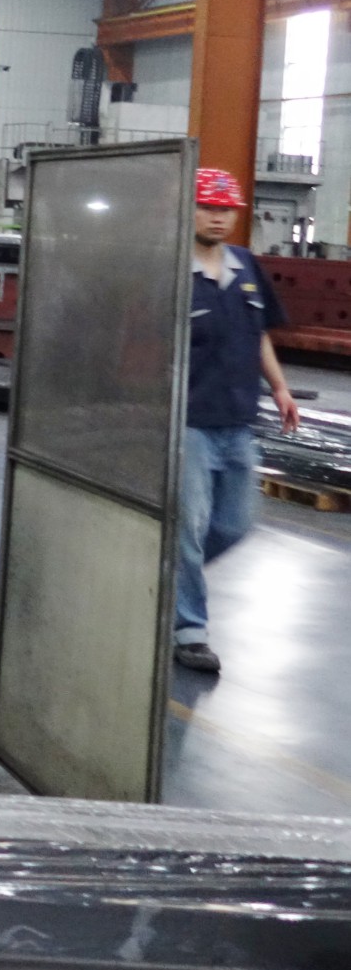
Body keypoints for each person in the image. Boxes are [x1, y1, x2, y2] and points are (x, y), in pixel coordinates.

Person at [176, 166, 298, 675]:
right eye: (208, 207)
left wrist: (280, 387)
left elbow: (259, 333)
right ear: (188, 209)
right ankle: (190, 631)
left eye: (226, 210)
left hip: (238, 421)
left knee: (234, 524)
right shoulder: (172, 272)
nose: (219, 218)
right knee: (189, 528)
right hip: (189, 423)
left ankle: (164, 584)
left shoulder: (245, 265)